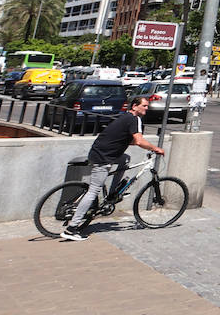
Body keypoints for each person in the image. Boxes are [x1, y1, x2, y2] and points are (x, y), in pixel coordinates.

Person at [61, 95, 164, 241]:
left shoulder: (125, 117)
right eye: (144, 106)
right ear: (135, 106)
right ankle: (71, 228)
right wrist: (155, 148)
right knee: (93, 191)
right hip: (104, 157)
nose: (147, 108)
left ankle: (112, 194)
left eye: (147, 106)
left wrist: (140, 144)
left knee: (125, 159)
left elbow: (126, 139)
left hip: (100, 152)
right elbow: (139, 141)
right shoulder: (134, 119)